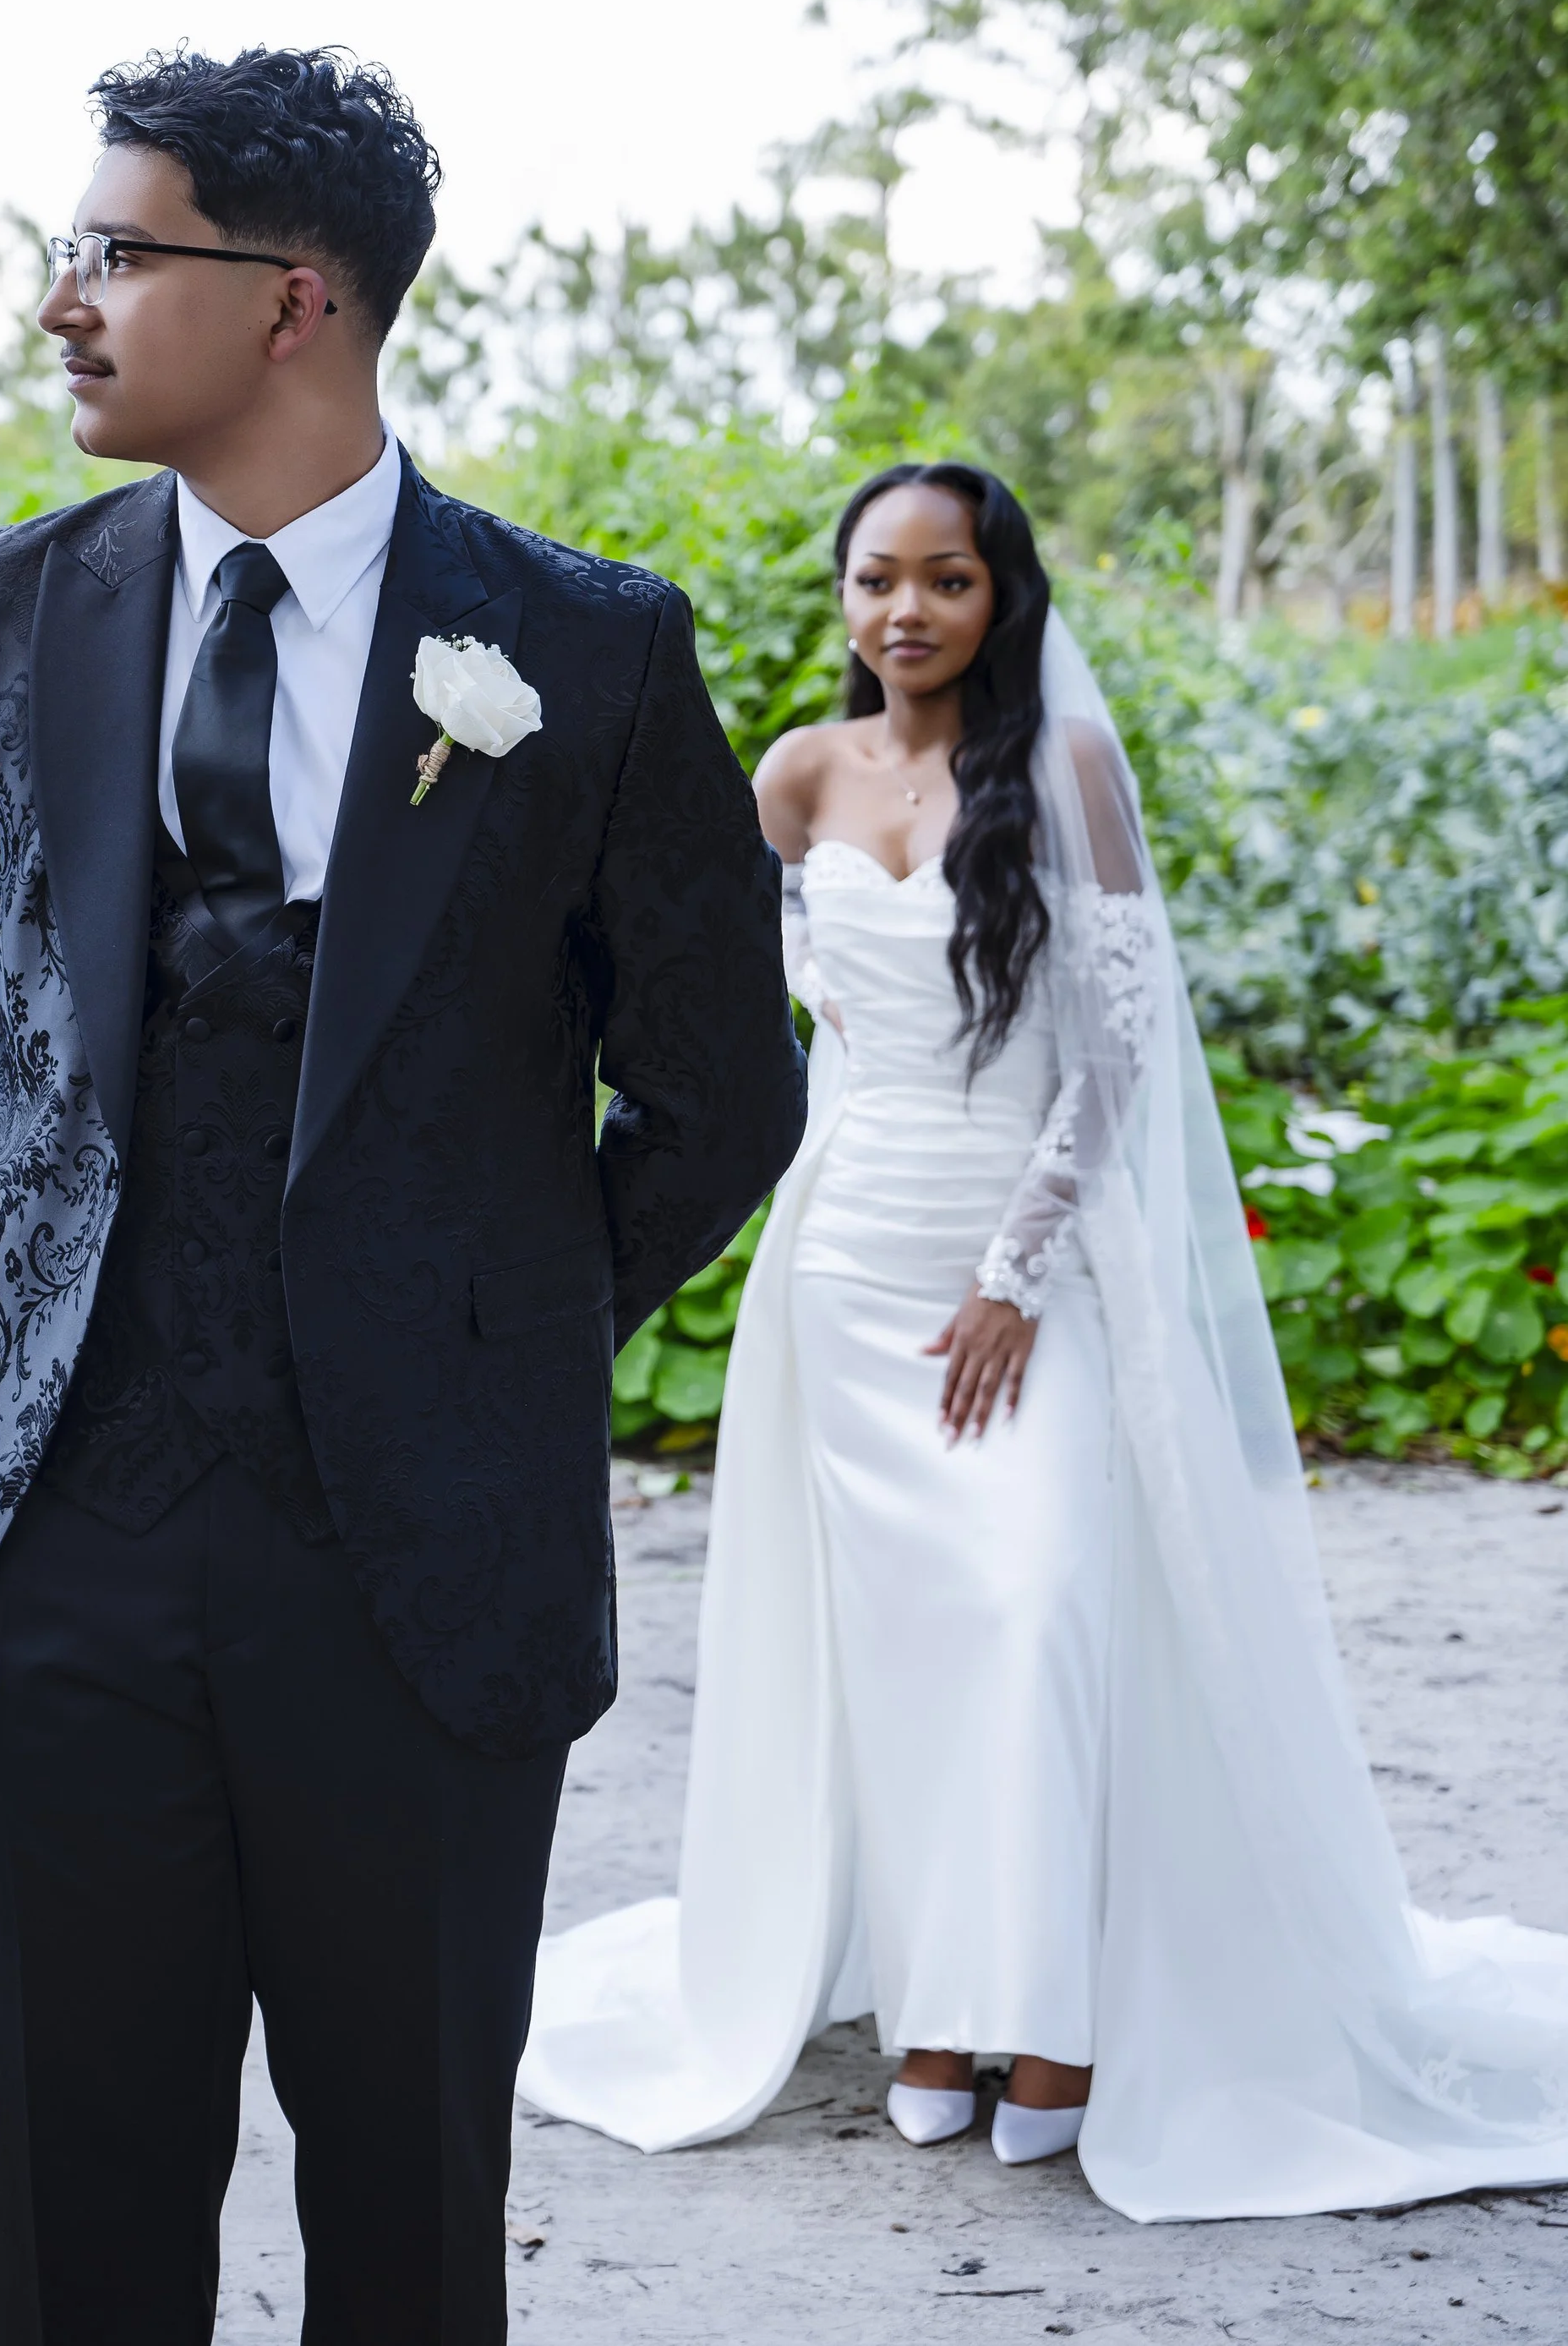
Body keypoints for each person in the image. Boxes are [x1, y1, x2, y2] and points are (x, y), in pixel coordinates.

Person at [0, 44, 806, 2343]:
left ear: (295, 296)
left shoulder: (584, 644)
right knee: (75, 2237)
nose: (58, 298)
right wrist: (44, 1274)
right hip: (47, 1548)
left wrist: (477, 1308)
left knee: (404, 2233)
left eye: (110, 249)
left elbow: (716, 1089)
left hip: (423, 1576)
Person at [518, 461, 1568, 2219]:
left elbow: (1116, 1053)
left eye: (943, 578)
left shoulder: (1059, 768)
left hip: (1016, 1265)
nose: (904, 611)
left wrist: (1015, 1269)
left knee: (1024, 1611)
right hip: (843, 1260)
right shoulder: (793, 771)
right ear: (843, 595)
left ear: (1000, 594)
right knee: (894, 1652)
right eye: (874, 578)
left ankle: (1055, 2025)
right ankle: (936, 2018)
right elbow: (710, 988)